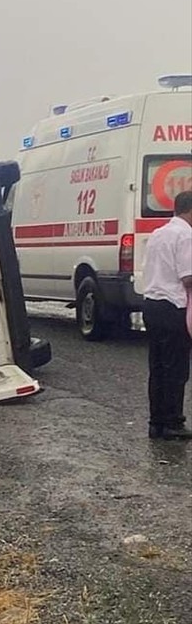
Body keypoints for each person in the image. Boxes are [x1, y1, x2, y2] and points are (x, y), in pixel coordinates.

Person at [142, 189, 192, 441]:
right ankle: (173, 422)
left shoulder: (158, 234)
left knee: (158, 367)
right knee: (176, 368)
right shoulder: (185, 235)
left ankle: (156, 422)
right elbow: (188, 277)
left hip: (152, 304)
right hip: (173, 306)